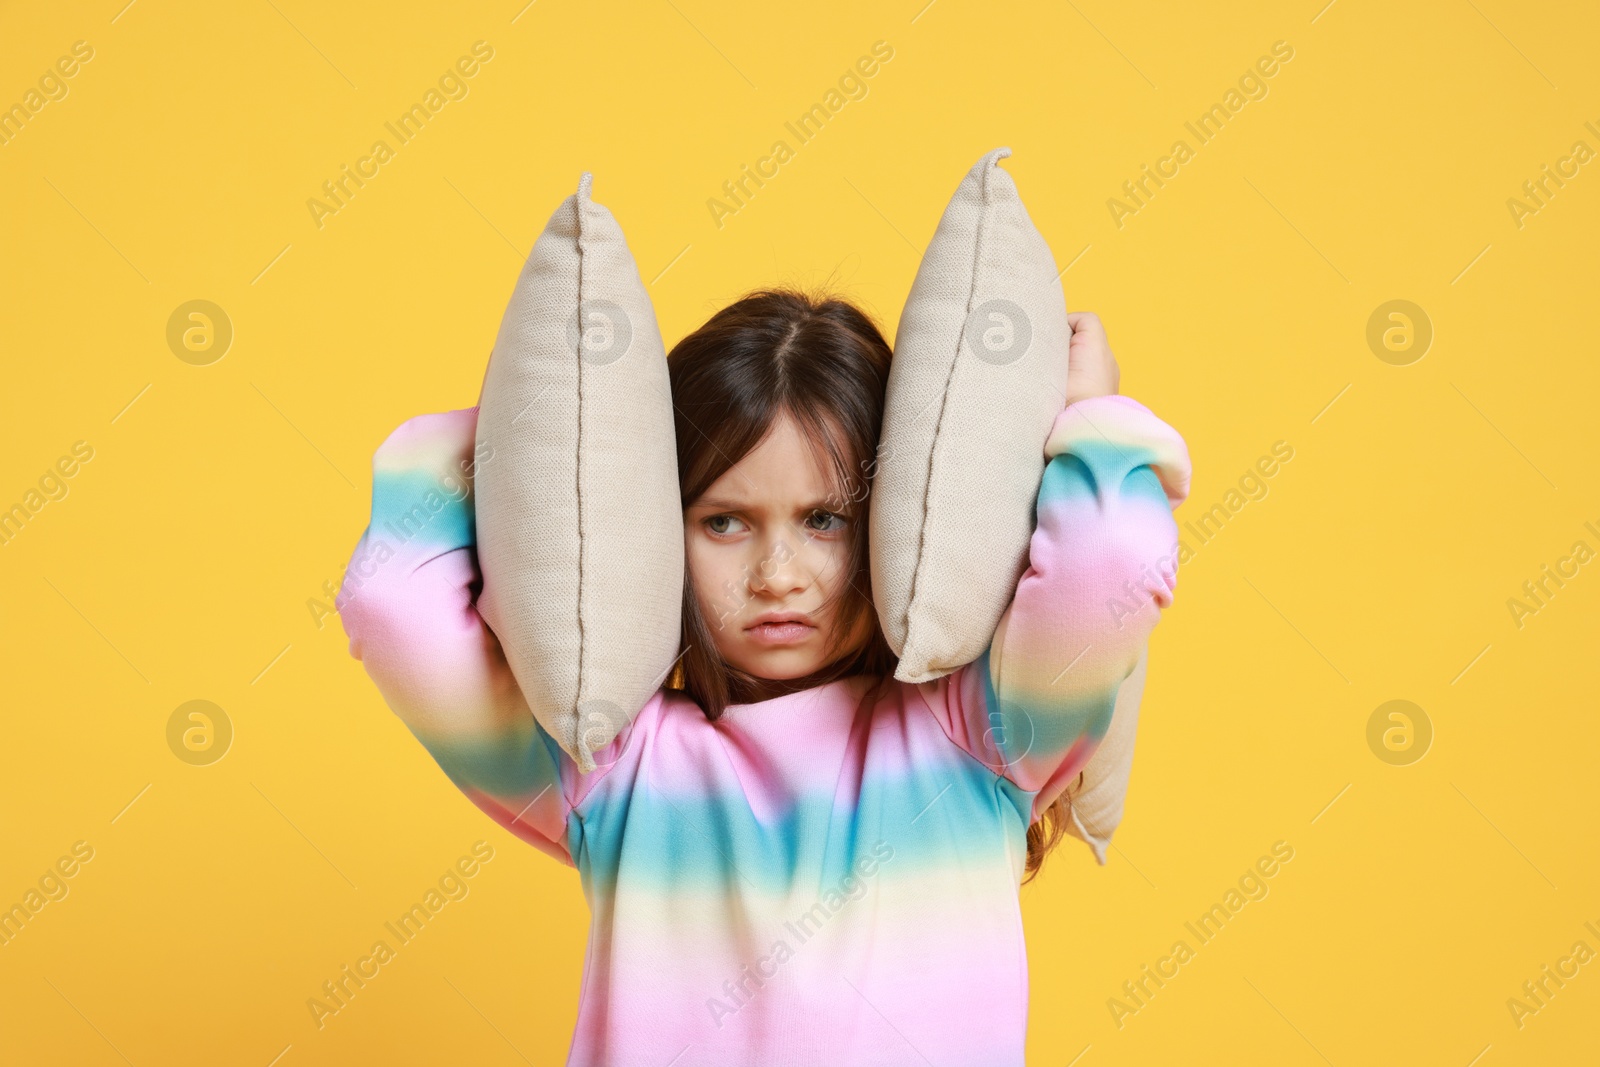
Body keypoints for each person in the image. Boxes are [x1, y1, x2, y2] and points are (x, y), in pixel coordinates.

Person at [336, 288, 1191, 1066]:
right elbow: (391, 608)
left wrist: (1088, 414)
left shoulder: (979, 735)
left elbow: (1112, 568)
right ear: (656, 526)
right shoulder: (610, 766)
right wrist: (535, 436)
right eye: (725, 521)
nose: (777, 572)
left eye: (825, 519)